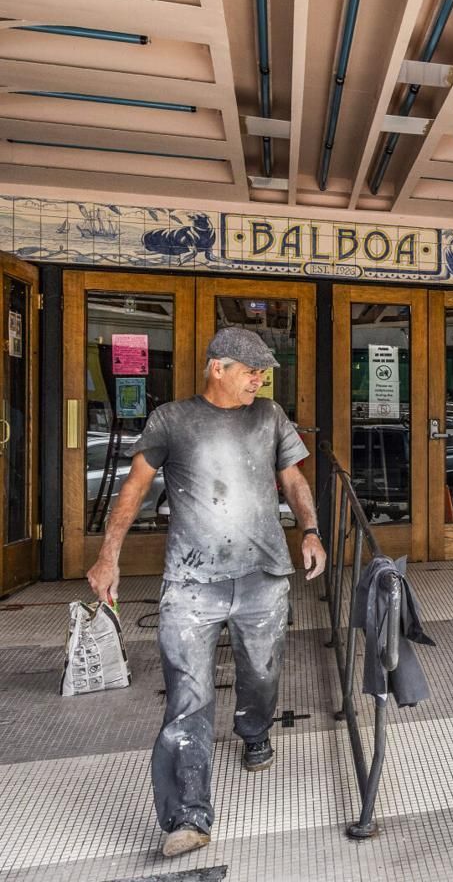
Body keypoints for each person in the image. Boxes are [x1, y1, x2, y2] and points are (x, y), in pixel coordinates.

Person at [85, 328, 326, 858]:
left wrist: (310, 529)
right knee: (186, 699)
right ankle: (188, 815)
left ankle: (254, 729)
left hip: (263, 576)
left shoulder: (269, 417)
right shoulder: (171, 420)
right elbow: (133, 488)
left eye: (263, 372)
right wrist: (109, 554)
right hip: (191, 583)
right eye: (250, 371)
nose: (258, 380)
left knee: (261, 675)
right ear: (218, 367)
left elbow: (294, 480)